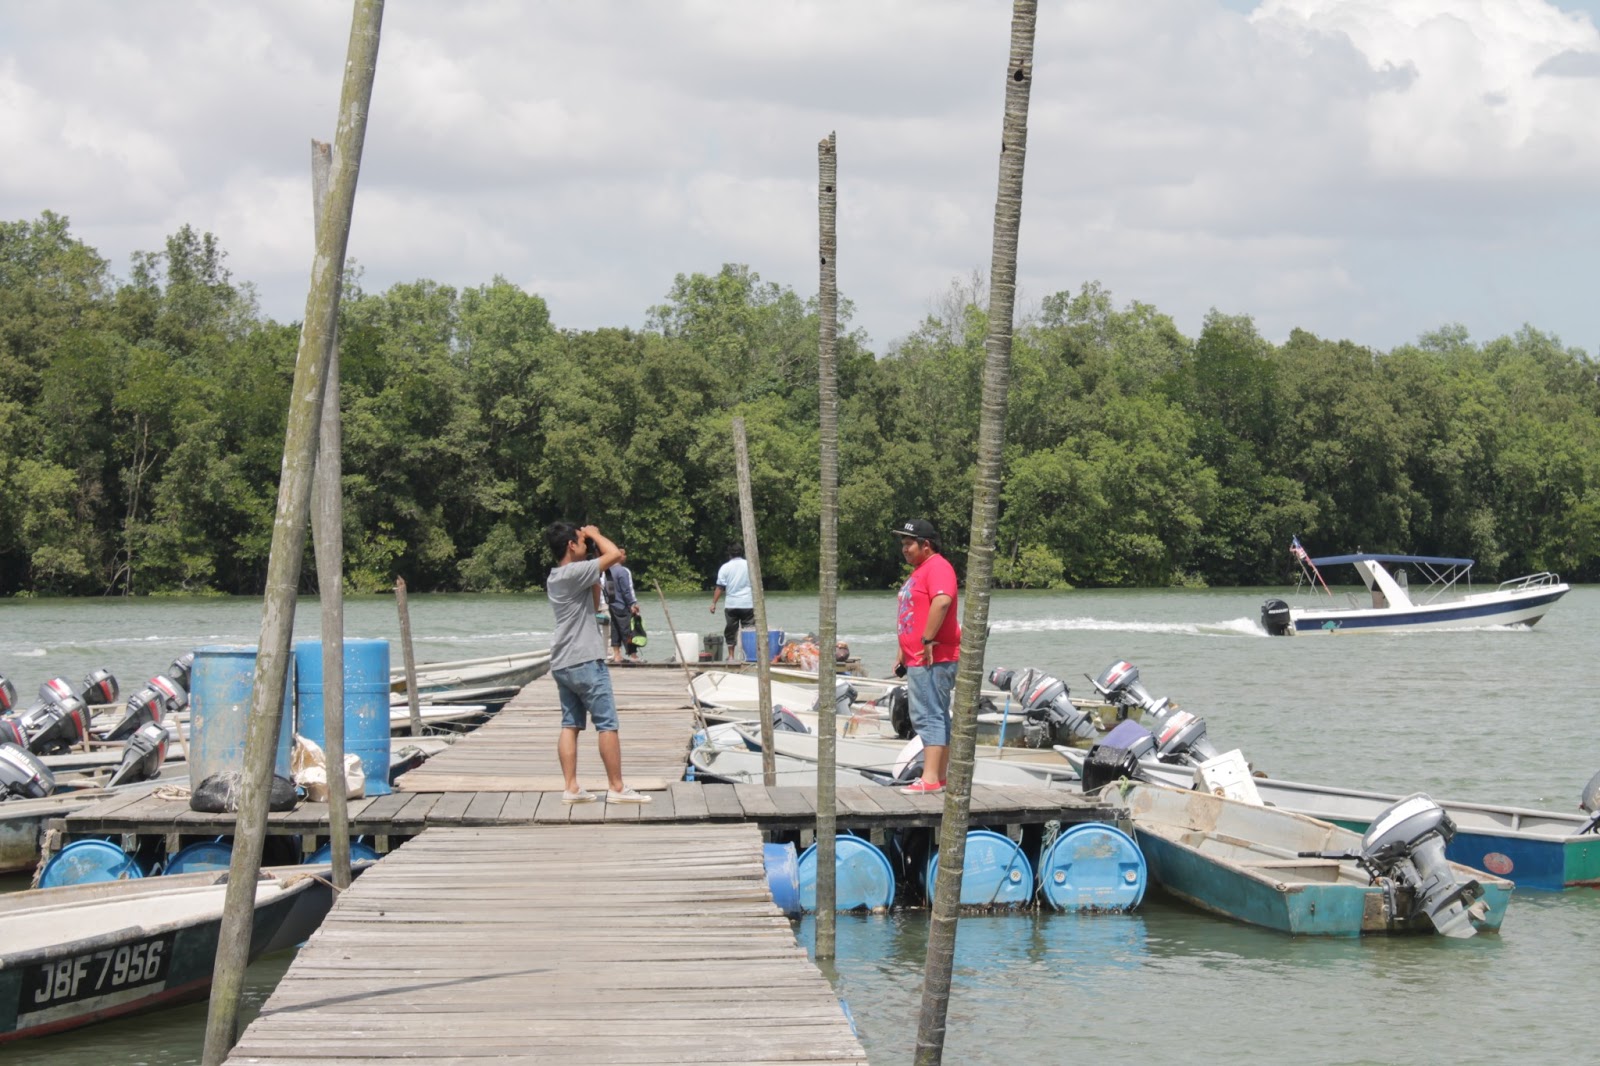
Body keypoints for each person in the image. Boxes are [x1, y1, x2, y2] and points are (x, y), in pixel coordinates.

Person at [544, 521, 650, 804]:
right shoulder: (575, 571)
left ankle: (571, 787)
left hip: (562, 661)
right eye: (580, 540)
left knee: (570, 724)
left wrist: (593, 560)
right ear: (571, 545)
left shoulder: (556, 576)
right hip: (586, 659)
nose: (585, 542)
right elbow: (615, 555)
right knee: (607, 723)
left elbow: (591, 605)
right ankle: (616, 788)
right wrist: (595, 534)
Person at [891, 518, 960, 794]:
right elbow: (911, 614)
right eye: (903, 544)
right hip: (917, 657)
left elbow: (942, 601)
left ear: (926, 545)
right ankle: (939, 778)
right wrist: (901, 652)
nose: (904, 549)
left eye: (909, 544)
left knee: (929, 715)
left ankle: (930, 779)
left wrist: (928, 639)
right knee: (931, 714)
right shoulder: (921, 570)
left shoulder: (938, 567)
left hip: (934, 657)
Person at [708, 544, 754, 660]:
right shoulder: (750, 565)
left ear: (730, 554)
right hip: (748, 604)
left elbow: (720, 587)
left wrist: (714, 603)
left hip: (731, 605)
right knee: (748, 630)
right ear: (742, 553)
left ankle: (731, 656)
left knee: (731, 630)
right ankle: (748, 656)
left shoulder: (725, 567)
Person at [603, 560, 641, 664]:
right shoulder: (622, 571)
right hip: (622, 605)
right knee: (627, 630)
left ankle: (617, 655)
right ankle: (633, 655)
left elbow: (606, 589)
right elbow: (626, 590)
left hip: (612, 605)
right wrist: (632, 604)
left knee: (615, 630)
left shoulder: (608, 571)